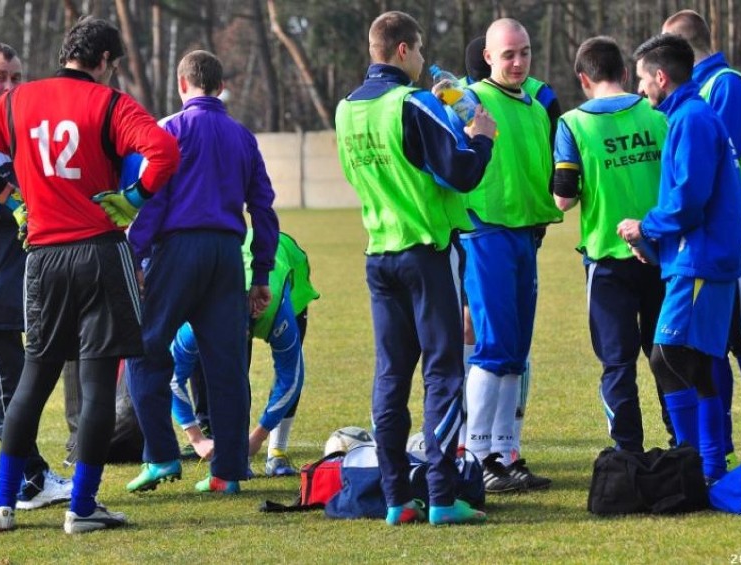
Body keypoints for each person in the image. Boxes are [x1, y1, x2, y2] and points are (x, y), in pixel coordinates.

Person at [0, 17, 180, 533]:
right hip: (99, 253)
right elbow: (164, 150)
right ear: (106, 62)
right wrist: (133, 199)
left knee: (32, 379)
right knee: (93, 387)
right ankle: (83, 508)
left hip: (43, 258)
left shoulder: (16, 103)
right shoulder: (111, 104)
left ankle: (1, 505)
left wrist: (9, 197)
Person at [335, 10, 495, 525]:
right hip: (426, 251)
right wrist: (481, 134)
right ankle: (443, 497)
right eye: (421, 51)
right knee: (444, 372)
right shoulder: (410, 102)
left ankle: (395, 498)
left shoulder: (345, 111)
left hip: (378, 253)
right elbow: (461, 172)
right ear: (403, 51)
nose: (424, 62)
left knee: (391, 376)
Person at [125, 49, 278, 495]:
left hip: (178, 251)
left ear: (181, 84)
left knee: (144, 350)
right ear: (220, 85)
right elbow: (263, 209)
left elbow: (152, 202)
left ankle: (161, 456)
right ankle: (228, 472)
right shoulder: (242, 137)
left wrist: (134, 257)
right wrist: (262, 272)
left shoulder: (168, 131)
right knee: (227, 366)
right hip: (228, 255)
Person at [663, 10, 741, 468]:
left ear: (679, 45)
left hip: (735, 234)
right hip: (706, 237)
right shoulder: (691, 90)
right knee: (710, 343)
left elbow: (719, 160)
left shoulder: (727, 85)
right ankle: (722, 444)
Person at [618, 33, 741, 482]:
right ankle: (698, 462)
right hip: (696, 258)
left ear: (660, 76)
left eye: (641, 80)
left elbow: (690, 198)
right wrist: (656, 248)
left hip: (701, 261)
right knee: (679, 358)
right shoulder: (690, 116)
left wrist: (645, 227)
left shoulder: (691, 119)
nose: (639, 90)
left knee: (671, 352)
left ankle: (702, 462)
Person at [458, 18, 561, 494]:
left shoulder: (538, 108)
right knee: (495, 347)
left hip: (524, 236)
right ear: (488, 57)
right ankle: (477, 455)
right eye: (507, 55)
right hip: (487, 234)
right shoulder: (471, 101)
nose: (517, 62)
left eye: (524, 52)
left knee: (516, 353)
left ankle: (503, 452)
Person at [552, 36, 668, 453]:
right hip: (662, 255)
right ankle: (684, 447)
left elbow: (563, 196)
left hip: (607, 260)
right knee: (668, 358)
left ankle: (628, 454)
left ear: (584, 78)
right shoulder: (657, 114)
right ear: (623, 72)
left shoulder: (573, 123)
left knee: (618, 365)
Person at [0, 42, 76, 511]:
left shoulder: (10, 125)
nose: (10, 86)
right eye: (0, 76)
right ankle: (31, 479)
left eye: (17, 77)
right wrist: (14, 205)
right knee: (9, 383)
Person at [168, 230, 318, 477]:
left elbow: (291, 377)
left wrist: (258, 437)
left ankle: (277, 454)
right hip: (232, 275)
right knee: (234, 372)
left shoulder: (275, 312)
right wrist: (195, 438)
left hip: (287, 264)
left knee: (288, 363)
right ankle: (237, 456)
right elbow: (172, 376)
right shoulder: (199, 315)